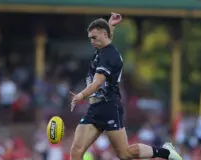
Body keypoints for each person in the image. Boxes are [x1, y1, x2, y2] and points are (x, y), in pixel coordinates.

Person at [69, 12, 182, 160]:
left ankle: (166, 152)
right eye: (90, 38)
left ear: (104, 35)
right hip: (95, 108)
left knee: (125, 154)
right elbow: (106, 39)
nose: (91, 41)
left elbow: (97, 83)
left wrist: (81, 95)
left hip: (109, 108)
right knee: (76, 151)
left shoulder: (109, 57)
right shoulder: (103, 47)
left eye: (94, 38)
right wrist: (110, 25)